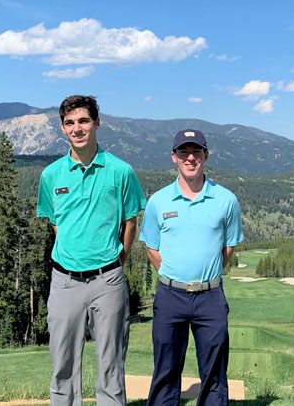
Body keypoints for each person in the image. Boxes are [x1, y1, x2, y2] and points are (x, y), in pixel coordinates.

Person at [37, 95, 146, 406]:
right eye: (70, 123)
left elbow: (129, 223)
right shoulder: (51, 175)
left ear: (97, 123)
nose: (77, 128)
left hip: (107, 280)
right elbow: (56, 224)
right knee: (62, 365)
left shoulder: (120, 171)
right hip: (64, 281)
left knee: (111, 364)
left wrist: (114, 261)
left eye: (84, 120)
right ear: (62, 128)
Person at [140, 129, 243, 406]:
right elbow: (152, 247)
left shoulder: (226, 200)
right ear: (174, 157)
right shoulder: (158, 201)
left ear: (206, 156)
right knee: (165, 370)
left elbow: (229, 247)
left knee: (214, 374)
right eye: (184, 152)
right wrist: (176, 274)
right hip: (170, 295)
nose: (190, 158)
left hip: (210, 297)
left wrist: (204, 275)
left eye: (196, 152)